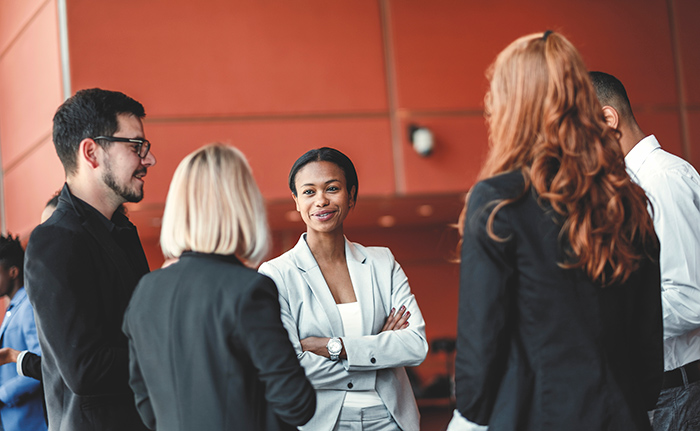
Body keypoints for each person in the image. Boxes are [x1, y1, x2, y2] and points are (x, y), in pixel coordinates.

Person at [453, 32, 663, 431]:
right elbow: (649, 356)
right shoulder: (628, 198)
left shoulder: (499, 200)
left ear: (510, 104)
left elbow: (478, 364)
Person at [122, 144, 316, 431]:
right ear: (242, 204)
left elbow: (145, 404)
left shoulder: (146, 291)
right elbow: (296, 403)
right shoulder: (248, 289)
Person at [259, 147, 428, 431]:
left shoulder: (381, 262)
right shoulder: (277, 274)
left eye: (332, 188)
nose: (321, 200)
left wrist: (333, 346)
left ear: (351, 196)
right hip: (322, 422)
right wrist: (379, 353)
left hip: (392, 419)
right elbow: (290, 368)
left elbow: (415, 345)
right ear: (296, 201)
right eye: (309, 192)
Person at [24, 88, 156, 431]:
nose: (148, 159)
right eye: (135, 146)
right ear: (91, 152)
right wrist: (174, 343)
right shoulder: (55, 240)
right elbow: (85, 369)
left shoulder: (123, 229)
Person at [591, 71, 700, 431]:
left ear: (608, 119)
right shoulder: (633, 186)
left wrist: (607, 317)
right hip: (659, 390)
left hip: (679, 391)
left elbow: (690, 297)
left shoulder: (662, 181)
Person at [0, 235, 46, 431]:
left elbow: (41, 364)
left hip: (29, 421)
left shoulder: (27, 306)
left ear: (13, 272)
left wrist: (2, 394)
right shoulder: (13, 308)